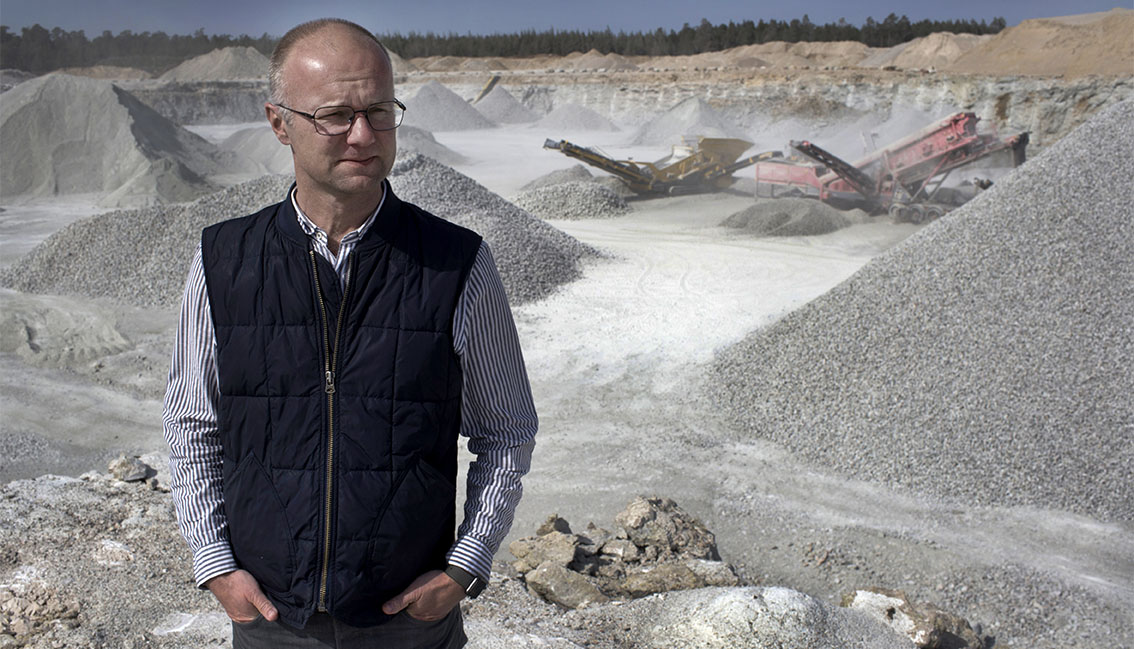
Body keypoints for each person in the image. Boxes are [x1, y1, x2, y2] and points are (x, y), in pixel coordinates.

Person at [162, 18, 537, 649]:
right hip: (273, 619)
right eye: (334, 114)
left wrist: (463, 568)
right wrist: (216, 567)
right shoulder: (222, 258)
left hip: (407, 620)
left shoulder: (457, 262)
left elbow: (506, 429)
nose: (362, 135)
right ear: (280, 123)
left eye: (380, 110)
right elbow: (192, 424)